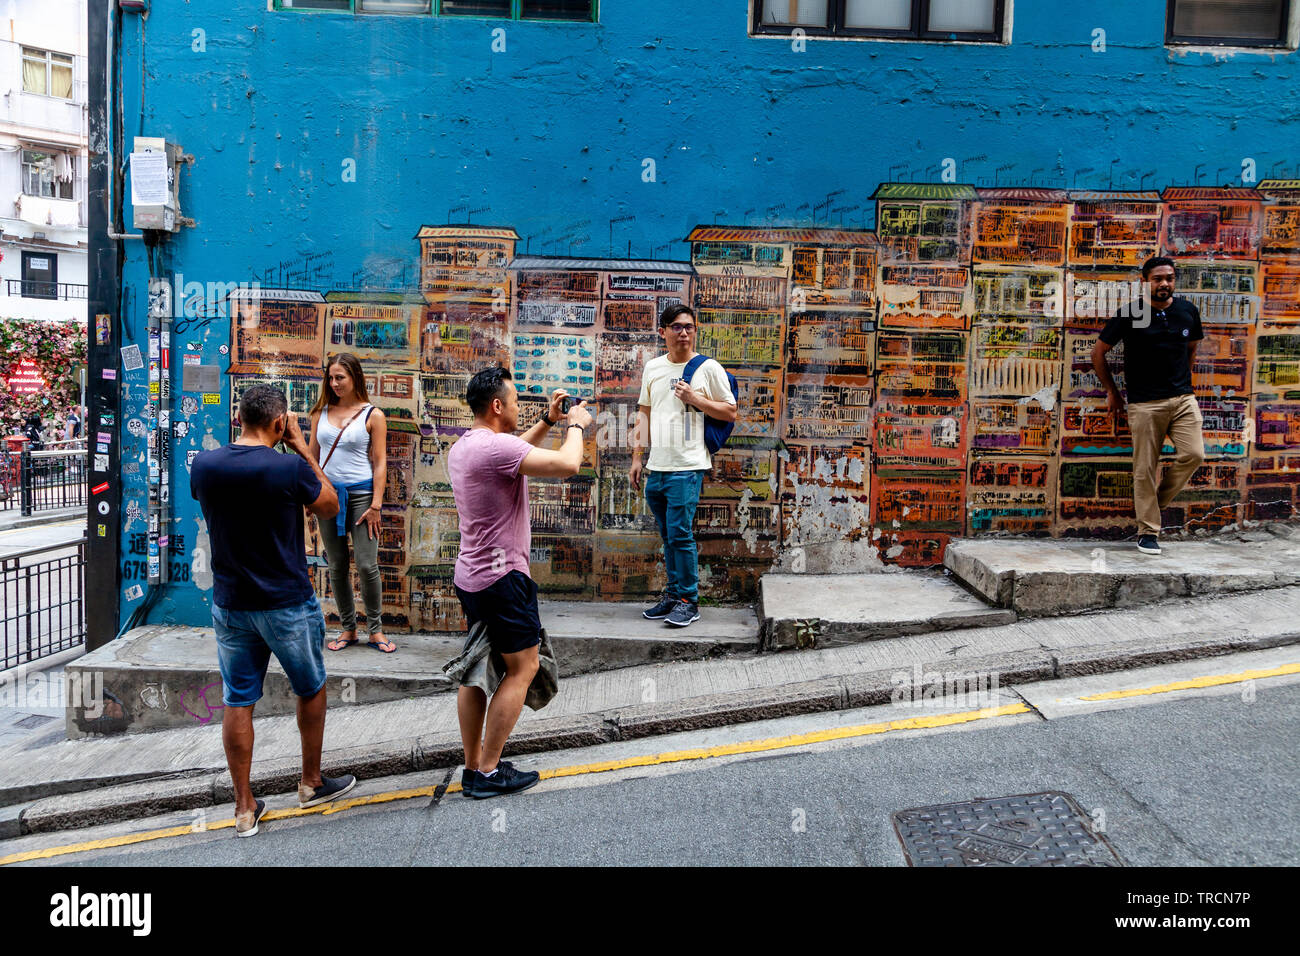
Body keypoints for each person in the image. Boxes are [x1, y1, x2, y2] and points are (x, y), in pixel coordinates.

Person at [190, 384, 357, 836]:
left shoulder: (204, 464)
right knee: (311, 687)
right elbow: (330, 504)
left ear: (240, 417)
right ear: (279, 423)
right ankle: (310, 782)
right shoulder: (287, 468)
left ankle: (244, 808)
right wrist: (303, 448)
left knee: (238, 698)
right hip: (286, 601)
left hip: (231, 603)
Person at [448, 367, 593, 798]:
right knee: (523, 668)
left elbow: (514, 454)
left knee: (477, 672)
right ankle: (489, 773)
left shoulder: (467, 445)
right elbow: (568, 464)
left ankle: (474, 766)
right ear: (497, 406)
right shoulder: (494, 450)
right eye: (514, 402)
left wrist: (548, 421)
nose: (517, 407)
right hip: (503, 579)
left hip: (473, 577)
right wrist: (575, 426)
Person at [629, 304, 737, 627]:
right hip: (657, 467)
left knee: (679, 533)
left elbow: (730, 412)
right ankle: (674, 595)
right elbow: (643, 414)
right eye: (677, 327)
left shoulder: (708, 368)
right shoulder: (653, 368)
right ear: (663, 331)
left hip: (688, 466)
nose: (684, 332)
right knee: (668, 535)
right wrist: (637, 457)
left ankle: (689, 600)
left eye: (689, 326)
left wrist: (695, 399)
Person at [1092, 256, 1205, 556]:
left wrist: (1184, 384)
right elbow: (1098, 353)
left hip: (1182, 399)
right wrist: (1113, 393)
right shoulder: (1130, 314)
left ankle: (1154, 503)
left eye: (1169, 278)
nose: (1164, 283)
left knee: (1194, 454)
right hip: (1144, 404)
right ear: (1145, 282)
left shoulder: (1187, 312)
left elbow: (1191, 348)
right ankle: (1148, 532)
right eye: (1157, 279)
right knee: (1144, 469)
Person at [308, 353, 394, 653]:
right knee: (336, 565)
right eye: (330, 378)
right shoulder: (320, 413)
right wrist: (312, 496)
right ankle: (348, 629)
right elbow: (312, 458)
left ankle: (376, 629)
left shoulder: (374, 415)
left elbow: (381, 462)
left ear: (355, 377)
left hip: (362, 497)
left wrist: (376, 504)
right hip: (329, 496)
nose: (334, 383)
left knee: (368, 565)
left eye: (340, 377)